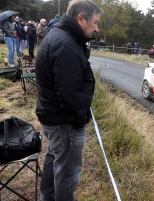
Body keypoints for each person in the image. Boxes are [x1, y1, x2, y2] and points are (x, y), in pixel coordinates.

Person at [35, 0, 103, 200]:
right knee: (68, 171)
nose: (97, 28)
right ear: (81, 18)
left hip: (52, 115)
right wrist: (78, 122)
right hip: (64, 122)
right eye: (95, 23)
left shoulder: (64, 37)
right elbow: (69, 93)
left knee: (54, 156)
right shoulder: (65, 45)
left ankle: (47, 196)